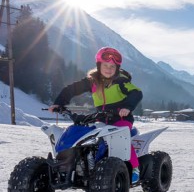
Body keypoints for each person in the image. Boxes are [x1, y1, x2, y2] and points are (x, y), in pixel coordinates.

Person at [49, 47, 143, 183]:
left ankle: (135, 168)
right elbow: (71, 89)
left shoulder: (121, 81)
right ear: (99, 65)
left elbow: (136, 93)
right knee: (88, 137)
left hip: (121, 118)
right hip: (102, 118)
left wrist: (127, 107)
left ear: (117, 68)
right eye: (105, 65)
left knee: (121, 138)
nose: (109, 69)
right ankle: (86, 165)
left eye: (112, 66)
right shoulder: (92, 81)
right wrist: (59, 103)